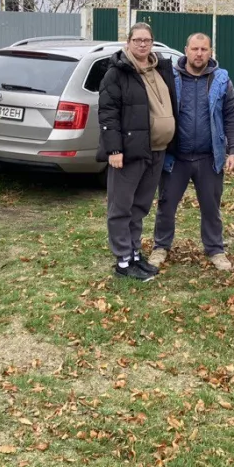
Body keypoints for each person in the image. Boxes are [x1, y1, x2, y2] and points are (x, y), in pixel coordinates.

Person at [149, 33, 234, 272]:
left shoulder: (221, 80)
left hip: (209, 157)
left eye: (204, 49)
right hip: (175, 157)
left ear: (211, 52)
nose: (199, 54)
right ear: (185, 50)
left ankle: (215, 249)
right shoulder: (171, 77)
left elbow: (231, 117)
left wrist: (233, 151)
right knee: (166, 204)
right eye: (194, 49)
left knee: (211, 206)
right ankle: (160, 246)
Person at [97, 23, 178, 281]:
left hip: (156, 150)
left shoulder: (160, 69)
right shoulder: (117, 73)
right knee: (121, 207)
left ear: (152, 43)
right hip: (129, 152)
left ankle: (133, 253)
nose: (142, 44)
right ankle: (122, 261)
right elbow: (108, 113)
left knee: (140, 207)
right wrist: (114, 149)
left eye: (147, 40)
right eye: (137, 40)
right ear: (128, 42)